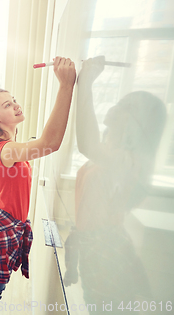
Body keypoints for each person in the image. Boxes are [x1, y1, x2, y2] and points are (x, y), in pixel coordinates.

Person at [0, 57, 76, 315]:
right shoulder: (7, 150)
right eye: (7, 104)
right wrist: (66, 85)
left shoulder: (4, 148)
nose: (15, 105)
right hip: (0, 231)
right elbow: (51, 142)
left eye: (13, 100)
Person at [63, 56, 166, 312]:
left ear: (138, 123)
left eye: (125, 106)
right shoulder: (114, 152)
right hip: (94, 248)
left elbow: (87, 143)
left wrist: (85, 82)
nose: (116, 107)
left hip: (107, 253)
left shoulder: (129, 160)